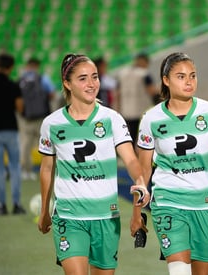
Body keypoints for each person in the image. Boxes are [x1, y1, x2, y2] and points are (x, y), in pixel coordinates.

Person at [132, 52, 208, 275]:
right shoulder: (151, 118)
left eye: (193, 76)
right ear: (166, 80)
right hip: (168, 201)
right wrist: (137, 211)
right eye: (181, 76)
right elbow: (144, 169)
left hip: (204, 203)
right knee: (179, 271)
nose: (189, 82)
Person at [37, 53, 150, 275]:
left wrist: (140, 184)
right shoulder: (51, 123)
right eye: (83, 78)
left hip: (106, 217)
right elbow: (47, 168)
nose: (92, 84)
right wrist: (44, 211)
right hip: (69, 216)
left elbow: (130, 160)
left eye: (95, 77)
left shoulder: (113, 119)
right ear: (67, 83)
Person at [0, 53, 26, 215]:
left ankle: (1, 205)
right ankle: (16, 204)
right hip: (11, 130)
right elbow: (20, 108)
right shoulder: (14, 85)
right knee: (14, 168)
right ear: (11, 67)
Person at [18, 57, 56, 180]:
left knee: (26, 145)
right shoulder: (43, 78)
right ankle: (48, 169)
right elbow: (52, 94)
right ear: (37, 66)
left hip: (27, 118)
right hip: (42, 118)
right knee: (46, 144)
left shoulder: (21, 80)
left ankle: (25, 170)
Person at [115, 52, 159, 144]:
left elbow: (117, 94)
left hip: (126, 112)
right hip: (141, 111)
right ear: (144, 62)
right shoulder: (144, 74)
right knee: (144, 138)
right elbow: (152, 91)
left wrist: (118, 110)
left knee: (129, 137)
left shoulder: (122, 73)